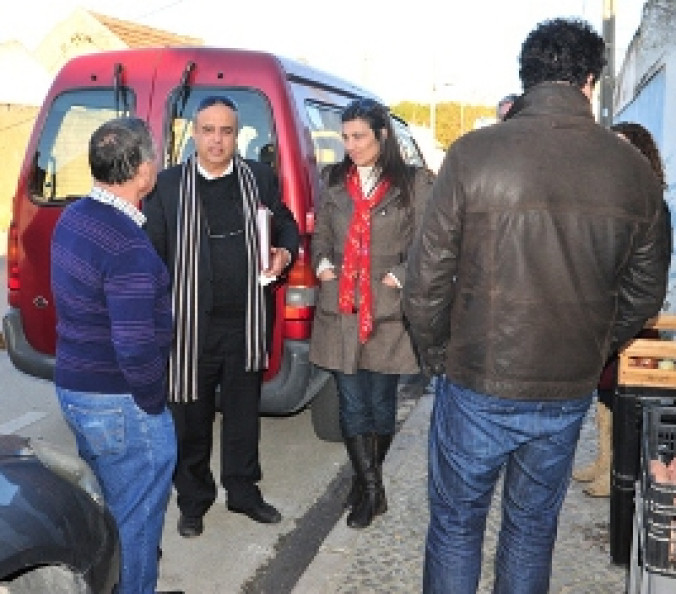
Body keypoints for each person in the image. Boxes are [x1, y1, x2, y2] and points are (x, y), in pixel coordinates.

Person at [403, 18, 672, 594]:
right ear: (590, 81)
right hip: (564, 387)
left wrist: (439, 357)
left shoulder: (473, 154)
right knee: (530, 531)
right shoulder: (632, 170)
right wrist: (594, 347)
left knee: (455, 526)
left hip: (476, 379)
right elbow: (645, 292)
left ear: (526, 79)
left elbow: (426, 281)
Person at [143, 95, 299, 538]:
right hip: (190, 326)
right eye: (208, 130)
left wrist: (285, 250)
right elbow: (151, 256)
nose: (217, 139)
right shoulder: (168, 186)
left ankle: (243, 491)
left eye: (226, 131)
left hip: (246, 321)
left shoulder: (259, 178)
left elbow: (284, 224)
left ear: (237, 135)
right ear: (195, 133)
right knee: (190, 418)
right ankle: (193, 500)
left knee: (243, 413)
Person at [52, 117, 178, 594]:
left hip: (77, 391)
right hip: (119, 400)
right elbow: (133, 344)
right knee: (136, 527)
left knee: (108, 511)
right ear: (144, 171)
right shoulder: (127, 245)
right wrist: (151, 401)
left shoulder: (74, 216)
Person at [309, 97, 434, 529]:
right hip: (340, 307)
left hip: (387, 309)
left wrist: (402, 273)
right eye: (345, 137)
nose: (351, 145)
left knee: (380, 404)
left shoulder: (415, 182)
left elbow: (428, 242)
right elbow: (321, 235)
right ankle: (372, 489)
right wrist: (322, 262)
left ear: (382, 135)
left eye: (359, 136)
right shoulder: (334, 180)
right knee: (350, 402)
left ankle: (366, 481)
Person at [573, 121, 671, 498]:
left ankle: (618, 470)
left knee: (620, 392)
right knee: (603, 390)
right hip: (603, 310)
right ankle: (604, 460)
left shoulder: (651, 204)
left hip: (631, 313)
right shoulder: (605, 201)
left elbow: (651, 269)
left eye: (625, 147)